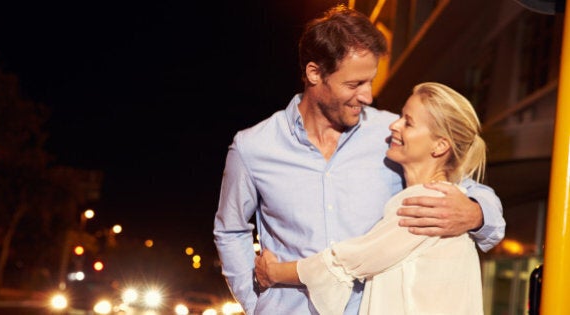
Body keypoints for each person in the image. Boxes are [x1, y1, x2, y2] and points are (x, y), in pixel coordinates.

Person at [213, 5, 505, 315]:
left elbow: (462, 184)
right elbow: (230, 231)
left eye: (370, 81)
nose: (367, 96)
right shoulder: (254, 147)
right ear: (315, 74)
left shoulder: (392, 136)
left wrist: (476, 214)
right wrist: (256, 303)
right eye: (354, 85)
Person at [254, 82, 489, 314]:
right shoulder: (443, 199)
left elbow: (344, 262)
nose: (394, 125)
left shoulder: (429, 204)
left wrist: (272, 272)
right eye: (400, 116)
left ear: (439, 146)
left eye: (408, 122)